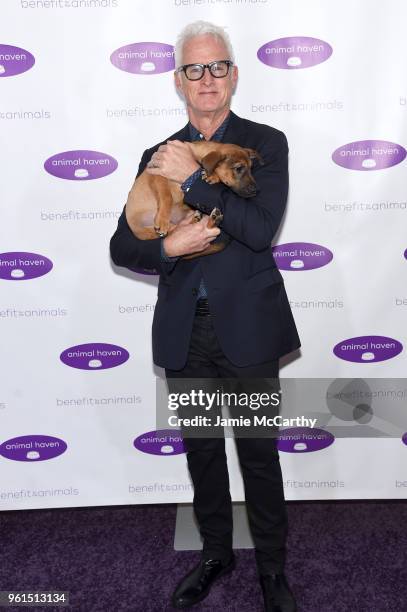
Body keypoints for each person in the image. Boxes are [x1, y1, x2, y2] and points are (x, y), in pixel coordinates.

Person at [110, 21, 301, 612]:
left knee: (257, 452)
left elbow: (259, 229)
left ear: (234, 74)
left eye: (217, 66)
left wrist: (193, 178)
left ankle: (272, 568)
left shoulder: (264, 144)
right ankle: (216, 554)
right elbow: (123, 246)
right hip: (185, 332)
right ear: (179, 81)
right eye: (195, 68)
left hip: (246, 329)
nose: (207, 78)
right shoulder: (157, 154)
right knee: (202, 451)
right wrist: (166, 248)